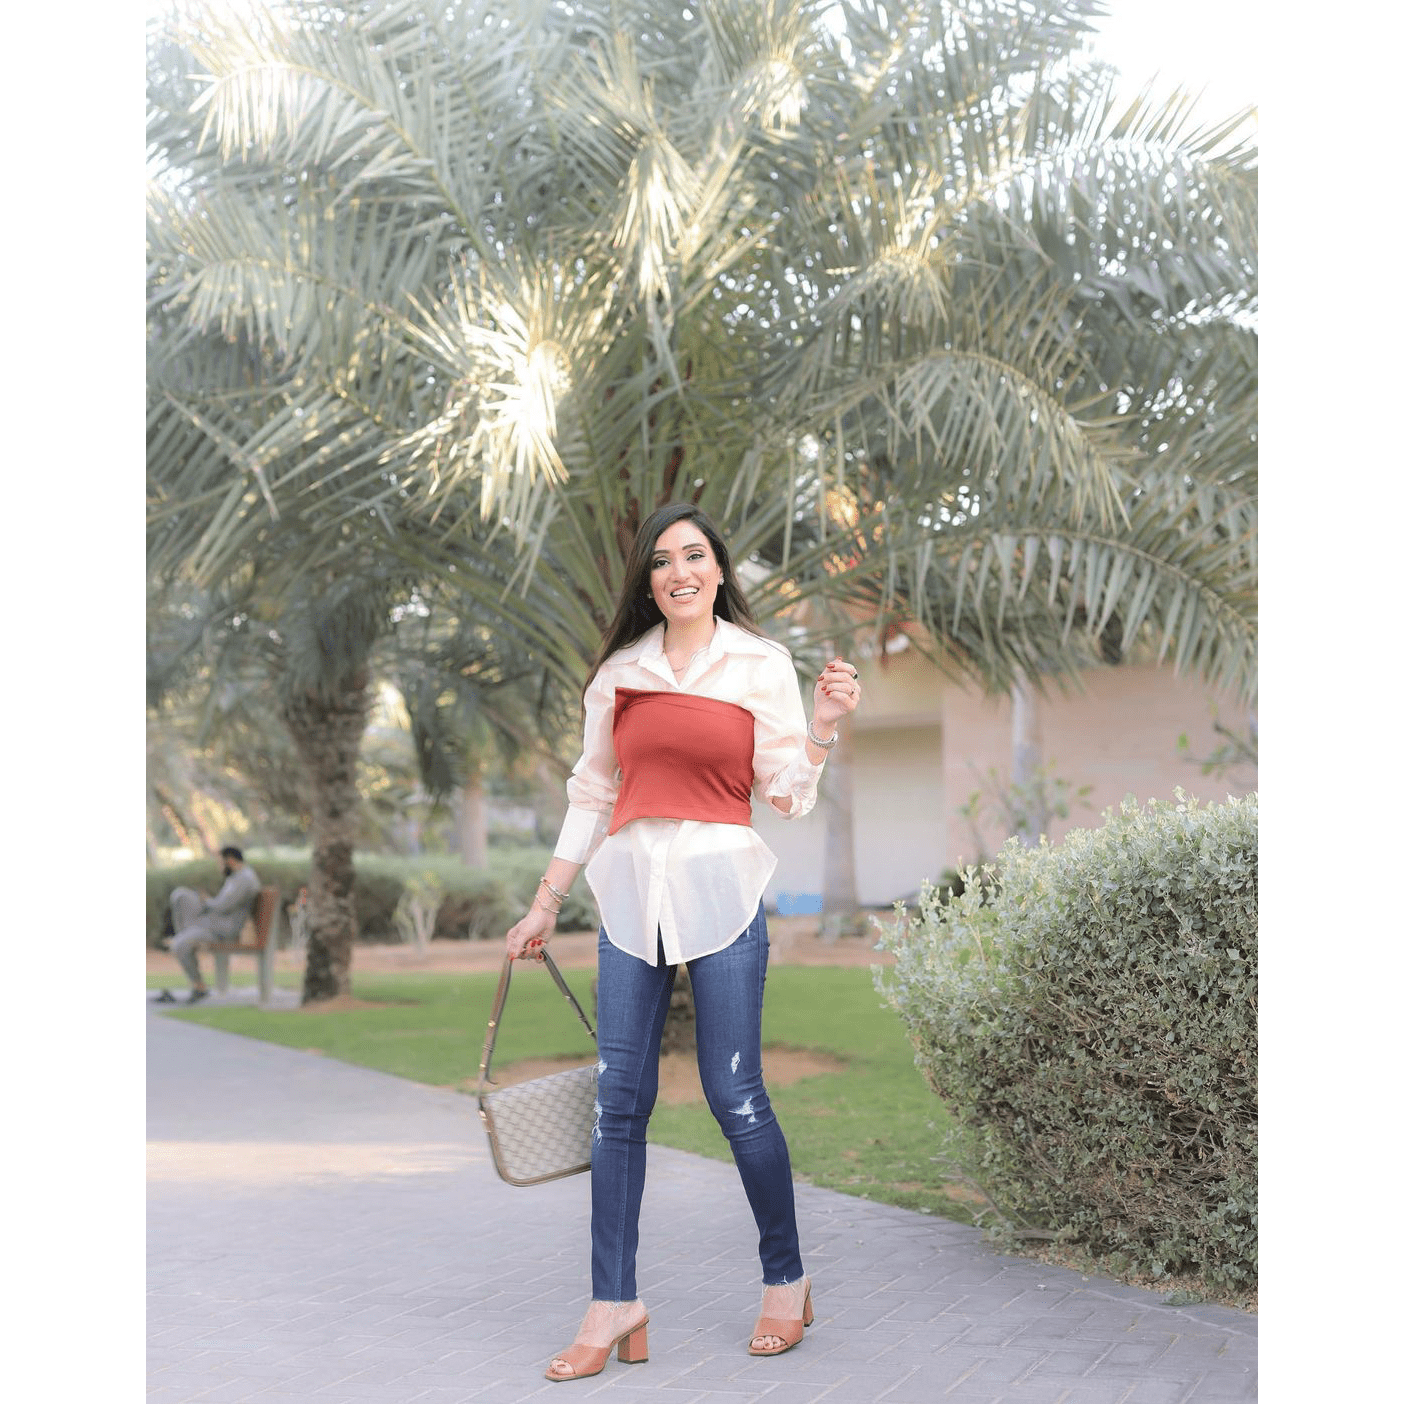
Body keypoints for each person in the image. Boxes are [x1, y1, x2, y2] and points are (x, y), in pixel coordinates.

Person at [503, 503, 863, 1383]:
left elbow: (787, 795)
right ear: (649, 580)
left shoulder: (759, 663)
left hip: (723, 897)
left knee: (734, 1094)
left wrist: (820, 725)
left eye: (694, 555)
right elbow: (593, 792)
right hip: (630, 902)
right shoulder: (620, 674)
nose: (679, 572)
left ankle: (786, 1281)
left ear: (718, 569)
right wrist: (546, 903)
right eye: (662, 561)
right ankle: (612, 1305)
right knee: (616, 1103)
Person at [165, 847, 261, 1003]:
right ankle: (183, 936)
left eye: (220, 862)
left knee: (180, 943)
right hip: (216, 924)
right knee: (180, 895)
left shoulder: (245, 879)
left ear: (230, 860)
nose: (219, 866)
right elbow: (223, 904)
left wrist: (206, 900)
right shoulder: (238, 877)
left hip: (224, 929)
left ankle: (199, 986)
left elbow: (223, 906)